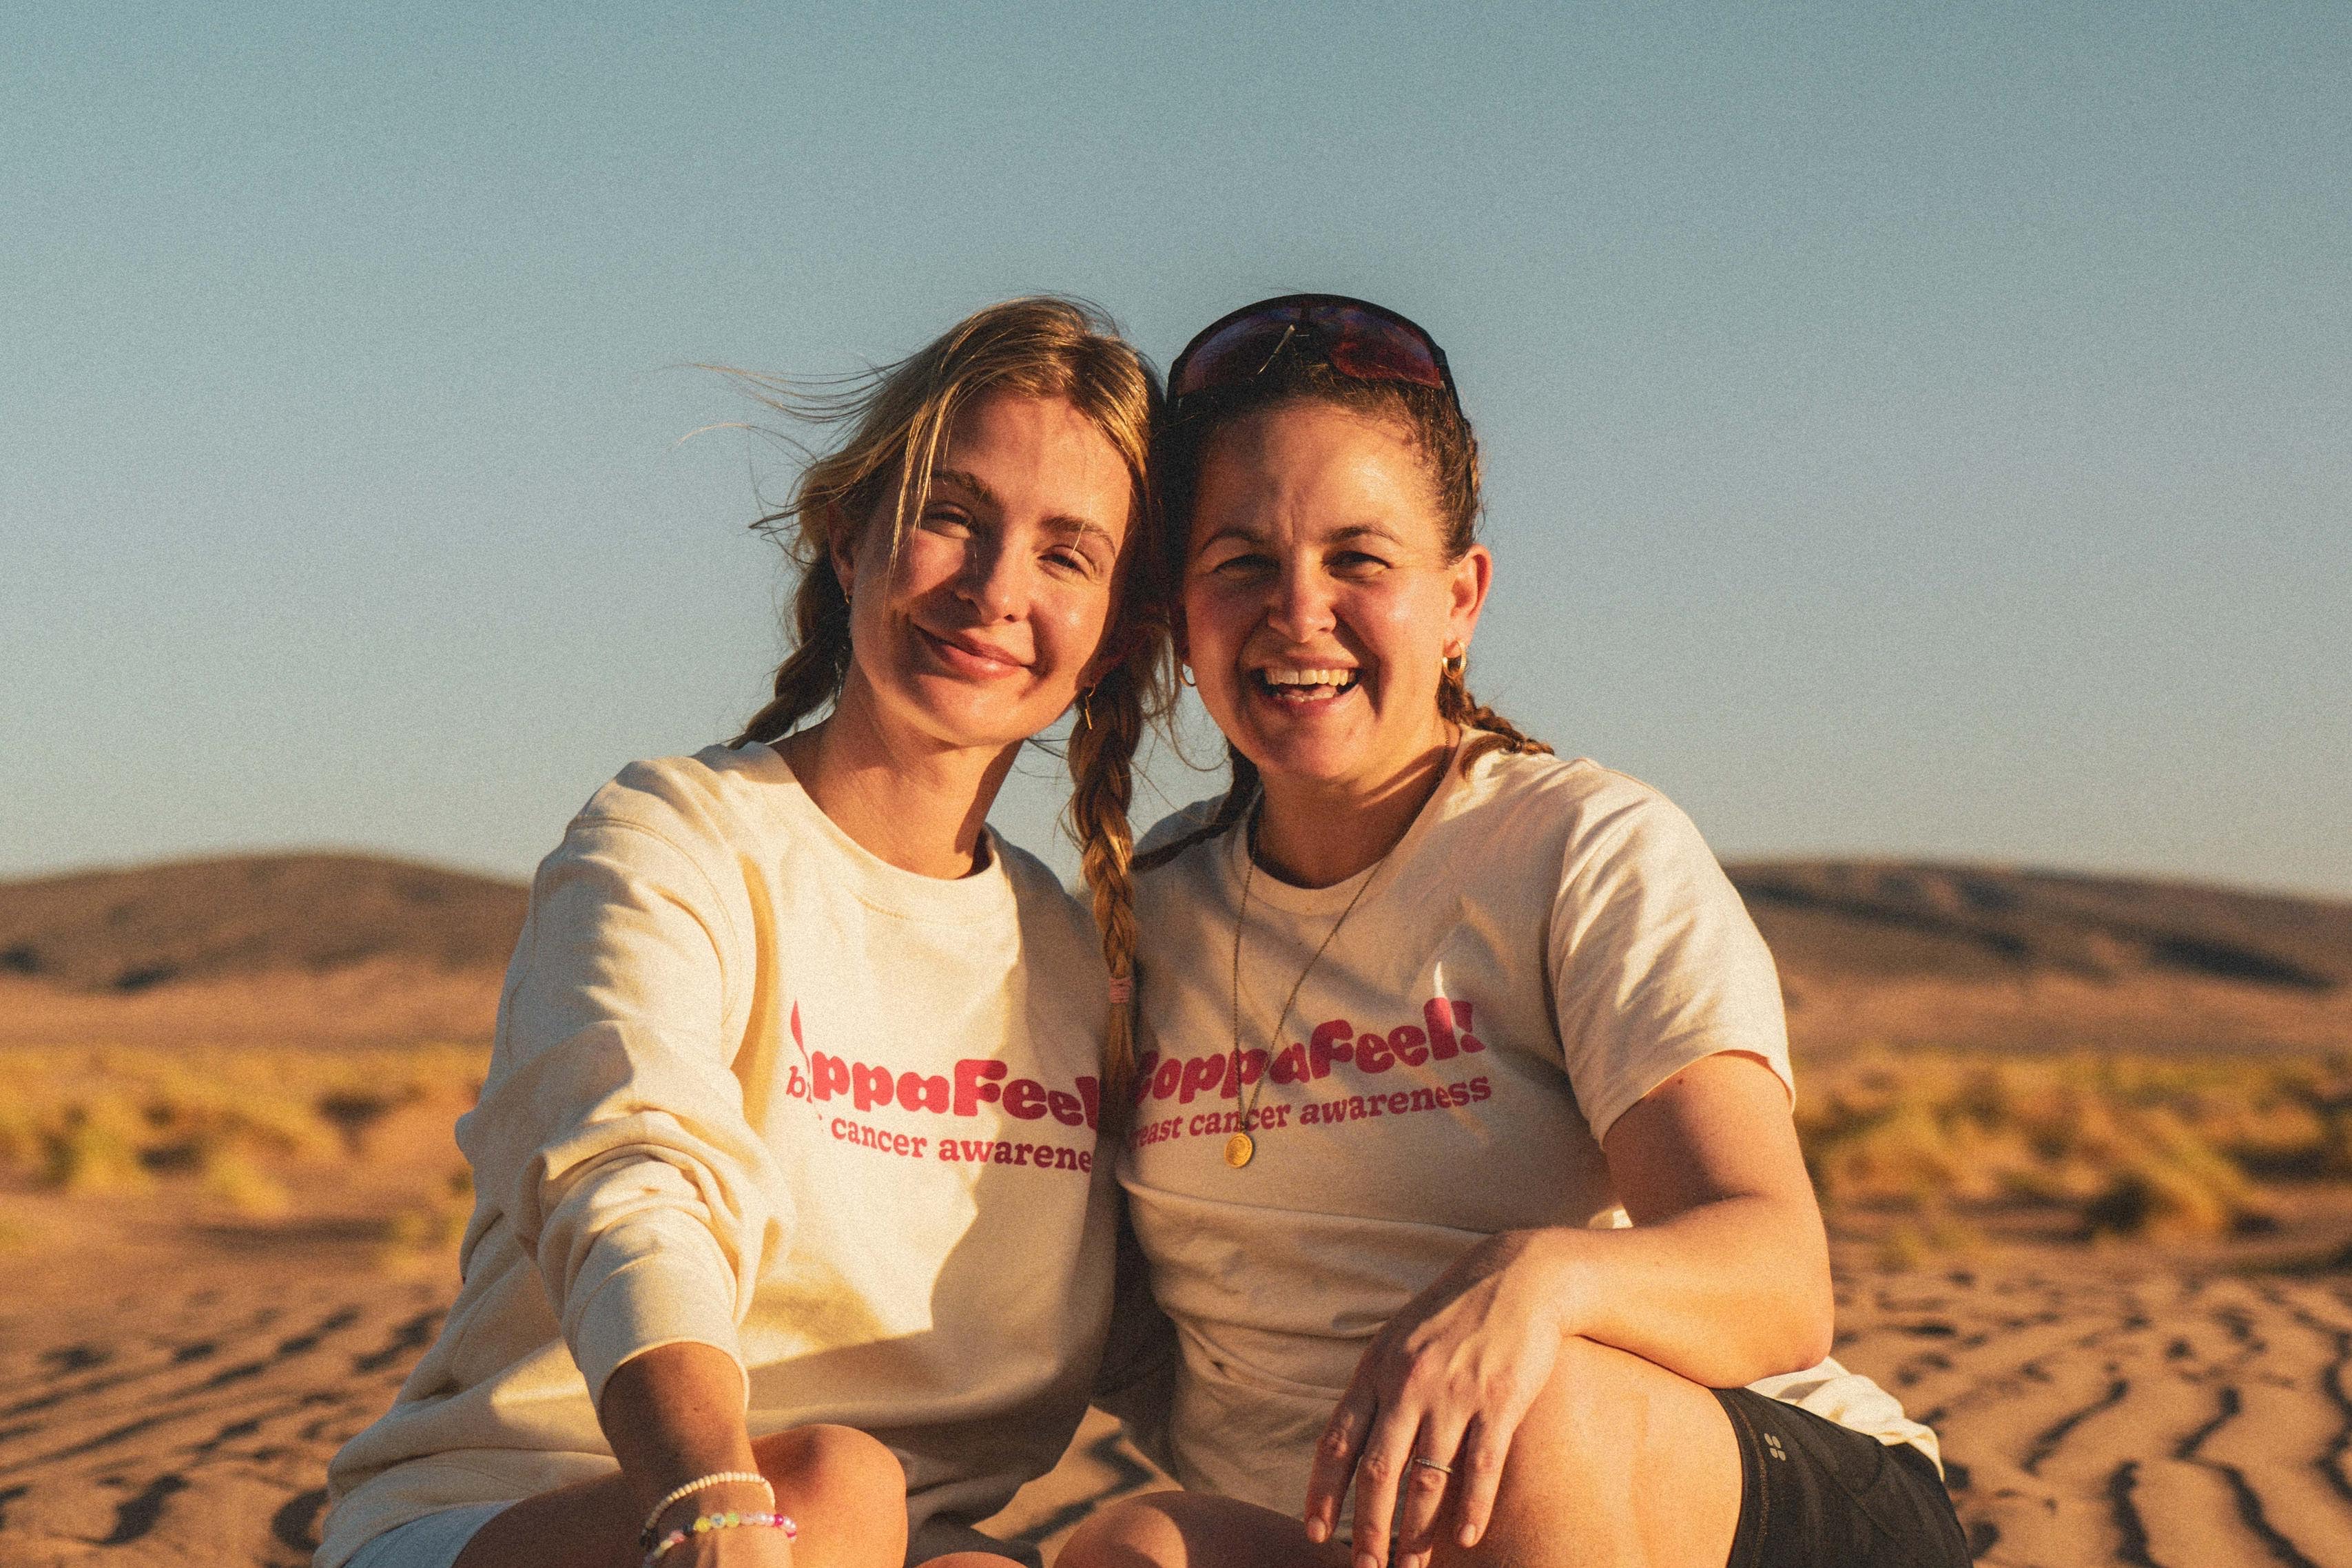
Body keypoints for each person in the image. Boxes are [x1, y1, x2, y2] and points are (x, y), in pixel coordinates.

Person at [1063, 297, 1970, 1568]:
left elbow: (1774, 1276)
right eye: (1241, 563)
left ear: (1459, 600)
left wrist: (1537, 1282)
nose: (1297, 611)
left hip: (1724, 1500)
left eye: (1358, 561)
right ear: (1179, 608)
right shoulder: (1140, 915)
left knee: (1536, 1419)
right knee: (1129, 1550)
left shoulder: (1576, 849)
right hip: (1348, 1533)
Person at [317, 298, 1173, 1568]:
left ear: (1111, 634)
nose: (996, 590)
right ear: (847, 538)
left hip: (885, 1545)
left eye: (1067, 554)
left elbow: (1199, 1322)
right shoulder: (677, 839)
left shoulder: (1082, 960)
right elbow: (630, 1184)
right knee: (828, 1488)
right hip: (543, 1512)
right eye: (952, 516)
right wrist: (714, 1494)